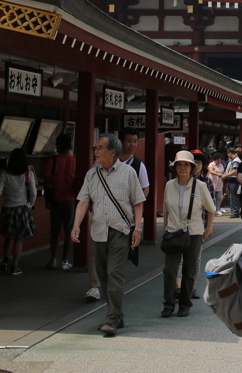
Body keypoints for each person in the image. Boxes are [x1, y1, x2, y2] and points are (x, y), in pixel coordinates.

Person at [71, 133, 145, 337]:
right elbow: (83, 201)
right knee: (103, 277)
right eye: (95, 147)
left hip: (120, 231)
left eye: (100, 148)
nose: (96, 151)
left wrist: (137, 228)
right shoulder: (91, 175)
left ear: (113, 152)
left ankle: (111, 319)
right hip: (98, 232)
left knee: (115, 276)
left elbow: (138, 202)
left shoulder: (128, 173)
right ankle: (117, 315)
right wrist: (76, 225)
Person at [161, 150, 215, 318]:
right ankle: (168, 304)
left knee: (189, 271)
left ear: (192, 168)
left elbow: (211, 209)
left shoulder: (200, 186)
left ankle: (185, 304)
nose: (182, 167)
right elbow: (166, 210)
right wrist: (165, 229)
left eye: (186, 164)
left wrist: (208, 229)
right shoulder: (169, 185)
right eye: (179, 164)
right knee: (169, 270)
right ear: (175, 167)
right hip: (173, 232)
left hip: (194, 233)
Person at [0, 148, 38, 276]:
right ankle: (14, 266)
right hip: (22, 208)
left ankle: (5, 261)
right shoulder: (27, 174)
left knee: (8, 236)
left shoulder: (4, 174)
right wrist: (30, 204)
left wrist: (7, 194)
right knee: (19, 239)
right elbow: (34, 192)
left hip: (7, 208)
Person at [44, 134, 76, 270]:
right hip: (70, 200)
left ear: (58, 146)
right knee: (69, 231)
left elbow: (46, 181)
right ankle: (64, 260)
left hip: (56, 200)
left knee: (54, 232)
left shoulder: (53, 161)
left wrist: (47, 198)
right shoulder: (75, 161)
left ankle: (53, 259)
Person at [118, 128, 150, 198]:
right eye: (129, 141)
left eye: (135, 141)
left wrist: (135, 204)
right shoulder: (108, 161)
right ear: (121, 141)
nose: (132, 145)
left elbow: (145, 189)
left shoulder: (139, 165)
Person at [223, 147, 242, 218]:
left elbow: (235, 171)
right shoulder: (235, 160)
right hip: (233, 181)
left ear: (229, 153)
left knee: (233, 197)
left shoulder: (235, 161)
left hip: (234, 181)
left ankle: (234, 212)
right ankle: (235, 211)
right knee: (234, 197)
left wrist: (226, 175)